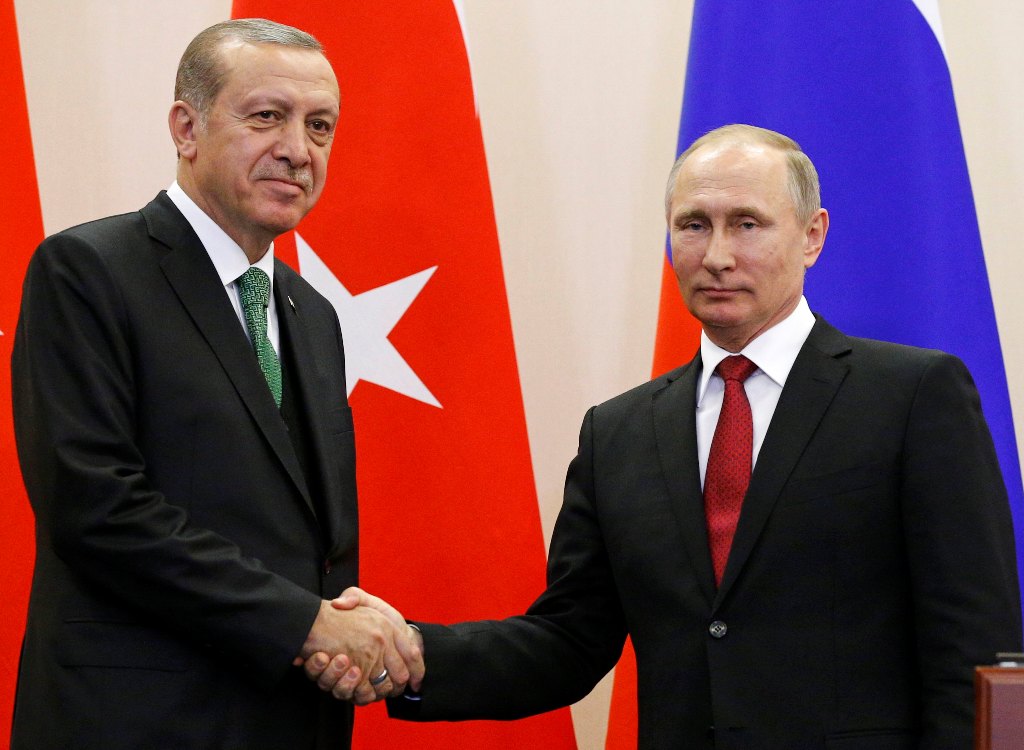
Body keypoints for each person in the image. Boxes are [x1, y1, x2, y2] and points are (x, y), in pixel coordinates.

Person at [330, 124, 1022, 747]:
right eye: (694, 225)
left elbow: (973, 647)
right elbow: (568, 642)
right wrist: (411, 652)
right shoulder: (620, 433)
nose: (717, 254)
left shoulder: (911, 396)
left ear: (812, 235)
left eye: (747, 224)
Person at [10, 18, 421, 750]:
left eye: (320, 126)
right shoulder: (89, 271)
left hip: (290, 719)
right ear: (186, 127)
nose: (298, 150)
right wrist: (306, 624)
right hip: (138, 723)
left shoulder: (313, 314)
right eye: (267, 116)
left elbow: (310, 536)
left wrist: (340, 634)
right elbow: (96, 507)